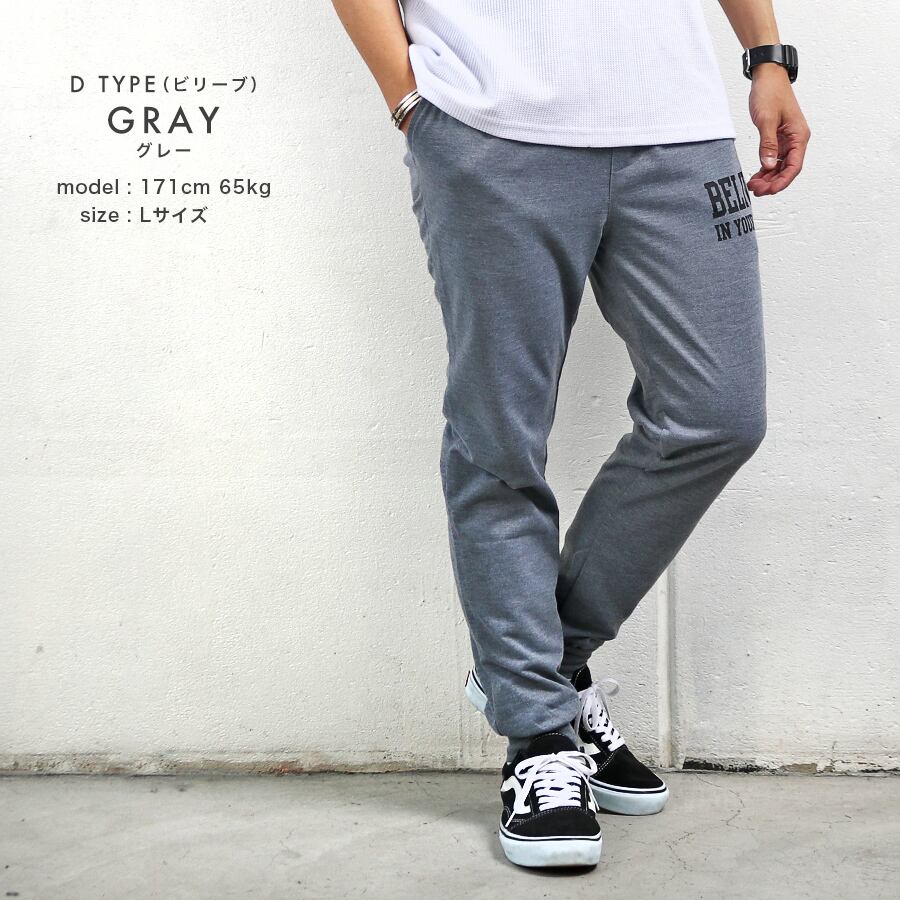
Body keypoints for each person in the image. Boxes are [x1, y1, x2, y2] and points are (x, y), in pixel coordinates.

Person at [331, 0, 809, 870]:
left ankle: (534, 667)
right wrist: (409, 102)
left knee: (718, 413)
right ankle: (540, 735)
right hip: (490, 127)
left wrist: (767, 54)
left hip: (678, 126)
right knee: (500, 441)